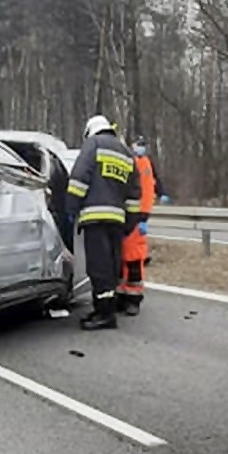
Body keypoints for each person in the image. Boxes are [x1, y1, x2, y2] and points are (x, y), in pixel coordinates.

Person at [67, 115, 142, 330]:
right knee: (111, 266)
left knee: (98, 268)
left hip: (95, 218)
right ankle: (106, 308)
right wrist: (130, 222)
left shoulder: (93, 145)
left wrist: (71, 208)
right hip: (117, 221)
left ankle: (105, 315)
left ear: (90, 131)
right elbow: (134, 192)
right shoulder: (126, 152)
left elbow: (79, 177)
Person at [116, 135, 156, 316]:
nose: (140, 148)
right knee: (120, 259)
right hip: (124, 215)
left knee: (132, 259)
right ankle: (121, 295)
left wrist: (143, 216)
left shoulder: (142, 163)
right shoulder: (133, 162)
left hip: (135, 216)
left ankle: (132, 299)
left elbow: (146, 190)